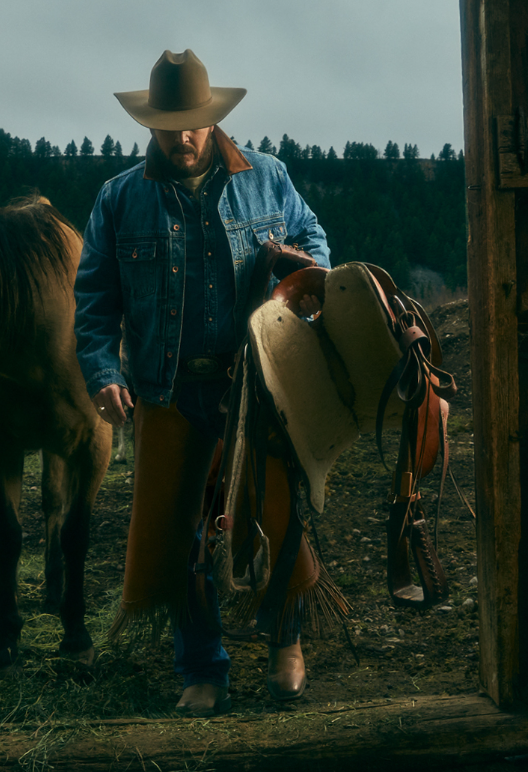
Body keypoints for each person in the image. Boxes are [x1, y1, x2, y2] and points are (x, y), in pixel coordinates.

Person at [74, 49, 333, 716]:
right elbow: (95, 297)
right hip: (166, 390)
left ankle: (285, 643)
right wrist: (103, 371)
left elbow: (314, 240)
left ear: (211, 120)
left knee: (274, 510)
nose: (183, 137)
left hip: (258, 382)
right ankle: (200, 666)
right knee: (182, 532)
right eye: (169, 125)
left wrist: (305, 279)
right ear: (150, 125)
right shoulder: (119, 197)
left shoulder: (268, 179)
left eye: (193, 124)